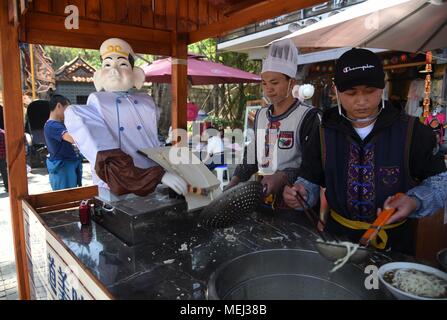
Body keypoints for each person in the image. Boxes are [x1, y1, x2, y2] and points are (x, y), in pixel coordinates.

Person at [283, 48, 447, 254]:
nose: (361, 101)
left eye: (369, 91)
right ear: (336, 91)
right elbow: (310, 181)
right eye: (351, 93)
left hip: (394, 243)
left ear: (383, 87)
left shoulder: (413, 131)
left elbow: (441, 182)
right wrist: (300, 194)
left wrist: (415, 201)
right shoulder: (324, 132)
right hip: (339, 240)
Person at [65, 38, 187, 199]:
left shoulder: (147, 103)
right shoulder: (91, 107)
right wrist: (157, 176)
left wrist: (168, 151)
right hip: (118, 188)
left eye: (122, 64)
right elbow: (107, 160)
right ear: (99, 75)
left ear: (136, 74)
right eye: (107, 65)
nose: (114, 70)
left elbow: (150, 144)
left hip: (155, 185)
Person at [226, 39, 321, 209]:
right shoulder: (262, 115)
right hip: (262, 195)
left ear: (291, 82)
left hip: (294, 198)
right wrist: (235, 180)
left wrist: (282, 177)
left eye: (275, 83)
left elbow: (313, 167)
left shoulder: (308, 117)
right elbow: (253, 153)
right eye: (264, 83)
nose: (268, 89)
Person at [44, 94, 83, 190]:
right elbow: (72, 138)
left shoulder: (57, 124)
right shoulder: (52, 125)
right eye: (67, 109)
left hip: (66, 165)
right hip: (62, 167)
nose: (68, 113)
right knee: (66, 198)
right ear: (58, 106)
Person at [0, 128, 8, 193]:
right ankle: (7, 187)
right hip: (2, 156)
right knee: (4, 172)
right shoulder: (4, 133)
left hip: (2, 155)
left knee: (4, 172)